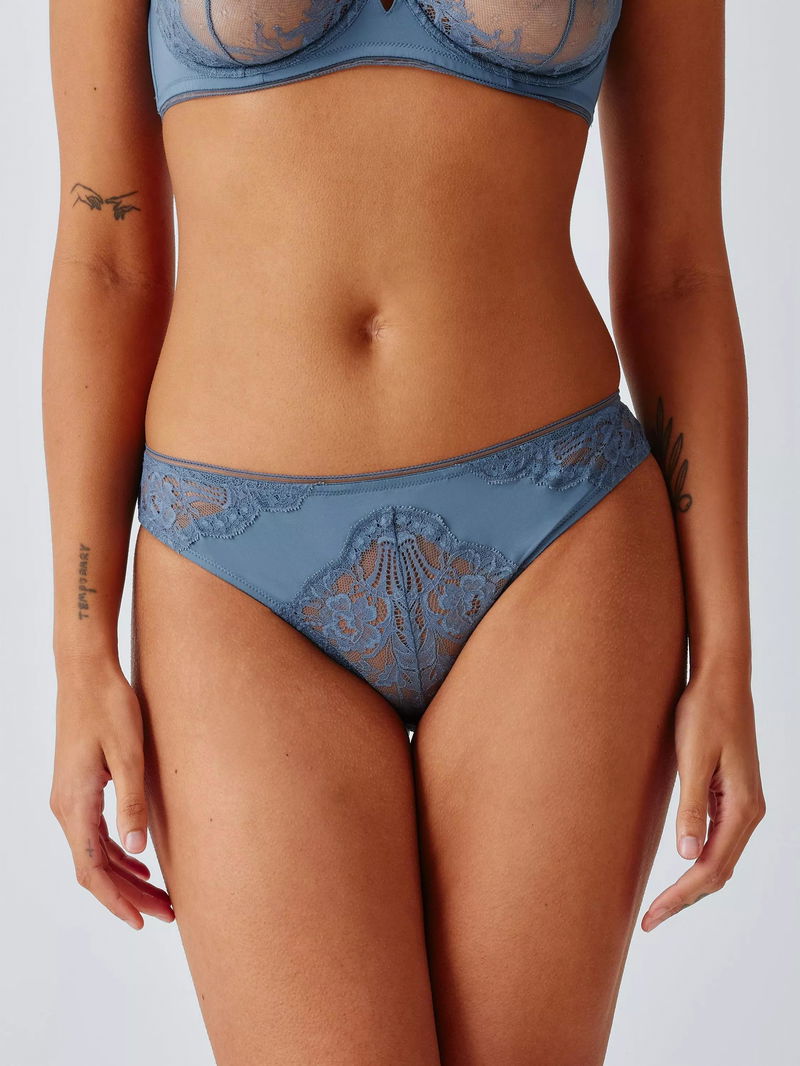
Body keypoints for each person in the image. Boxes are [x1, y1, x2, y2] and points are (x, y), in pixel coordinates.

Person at [43, 0, 766, 1062]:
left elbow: (678, 272)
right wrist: (79, 652)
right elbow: (104, 263)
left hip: (558, 539)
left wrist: (728, 657)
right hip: (233, 575)